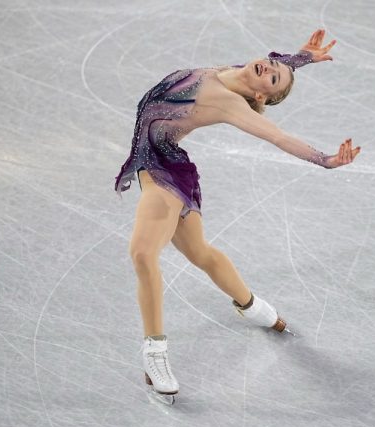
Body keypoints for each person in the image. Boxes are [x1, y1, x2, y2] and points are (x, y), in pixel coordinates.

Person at [114, 29, 361, 402]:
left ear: (259, 96)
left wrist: (325, 160)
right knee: (201, 254)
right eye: (271, 64)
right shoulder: (234, 70)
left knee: (143, 254)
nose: (269, 66)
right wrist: (300, 59)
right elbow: (277, 65)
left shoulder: (230, 102)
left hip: (161, 171)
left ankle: (155, 353)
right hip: (171, 165)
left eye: (272, 77)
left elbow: (278, 136)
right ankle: (256, 308)